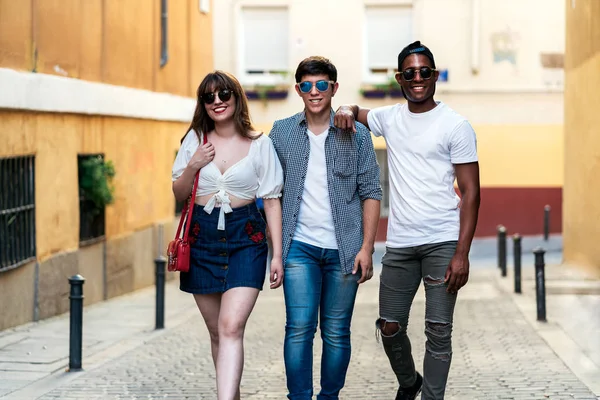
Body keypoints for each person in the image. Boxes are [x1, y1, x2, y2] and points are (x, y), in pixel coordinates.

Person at [334, 41, 480, 400]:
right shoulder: (390, 118)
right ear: (400, 77)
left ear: (435, 75)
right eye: (410, 73)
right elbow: (357, 111)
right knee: (390, 326)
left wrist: (461, 254)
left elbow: (472, 192)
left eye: (425, 72)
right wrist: (344, 107)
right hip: (400, 244)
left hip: (442, 242)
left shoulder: (456, 126)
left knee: (438, 330)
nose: (418, 78)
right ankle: (409, 381)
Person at [269, 56, 382, 400]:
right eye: (306, 85)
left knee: (336, 332)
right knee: (299, 329)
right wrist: (276, 252)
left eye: (321, 85)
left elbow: (371, 192)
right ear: (298, 90)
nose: (314, 92)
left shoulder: (357, 134)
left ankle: (329, 396)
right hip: (298, 248)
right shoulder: (281, 133)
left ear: (334, 88)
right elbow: (270, 191)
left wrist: (366, 248)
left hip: (345, 250)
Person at [171, 70, 284, 400]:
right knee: (217, 333)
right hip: (201, 240)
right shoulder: (194, 139)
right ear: (202, 104)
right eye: (209, 97)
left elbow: (273, 201)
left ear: (236, 98)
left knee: (231, 326)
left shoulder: (259, 144)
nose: (217, 102)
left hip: (245, 238)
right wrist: (193, 165)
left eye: (223, 95)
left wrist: (276, 254)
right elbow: (179, 193)